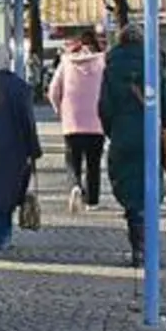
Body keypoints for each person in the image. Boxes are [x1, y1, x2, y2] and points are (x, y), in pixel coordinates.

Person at [98, 23, 166, 268]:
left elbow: (104, 108)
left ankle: (138, 245)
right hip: (151, 136)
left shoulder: (111, 68)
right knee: (150, 191)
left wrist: (114, 132)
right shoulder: (153, 65)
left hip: (123, 135)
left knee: (130, 191)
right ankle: (148, 244)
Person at [0, 45, 41, 251]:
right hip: (14, 149)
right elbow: (28, 121)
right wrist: (33, 150)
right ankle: (3, 235)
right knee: (7, 193)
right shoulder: (20, 87)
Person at [47, 29, 107, 213]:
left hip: (72, 120)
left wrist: (60, 110)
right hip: (97, 122)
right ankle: (92, 201)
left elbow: (53, 90)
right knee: (93, 163)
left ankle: (74, 186)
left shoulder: (66, 62)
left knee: (73, 159)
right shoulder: (103, 62)